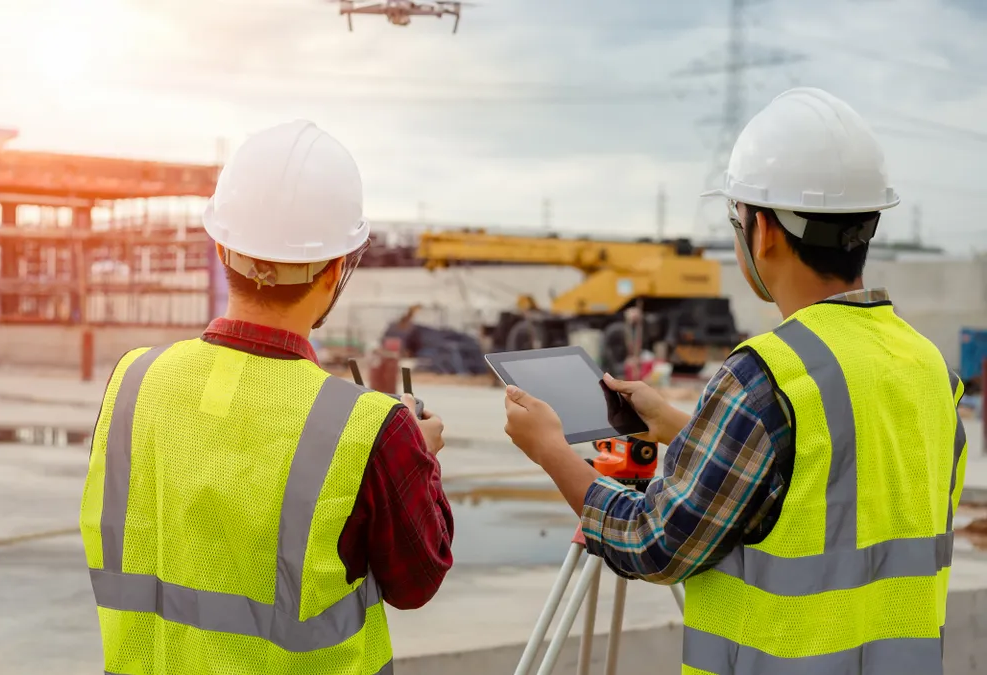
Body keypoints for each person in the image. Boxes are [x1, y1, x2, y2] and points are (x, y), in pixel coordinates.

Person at [502, 88, 968, 675]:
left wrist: (550, 451)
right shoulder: (931, 369)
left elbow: (651, 544)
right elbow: (833, 477)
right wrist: (679, 426)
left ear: (764, 231)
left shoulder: (766, 376)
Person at [79, 119, 453, 675]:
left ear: (221, 246)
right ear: (336, 269)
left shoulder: (135, 379)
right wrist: (417, 460)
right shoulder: (369, 427)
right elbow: (416, 581)